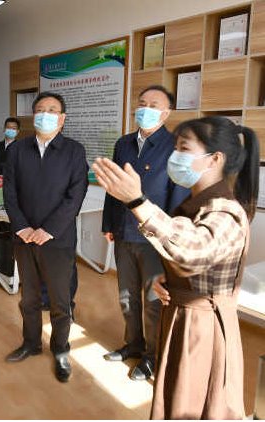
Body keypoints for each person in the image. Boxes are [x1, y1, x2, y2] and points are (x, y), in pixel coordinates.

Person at [93, 116, 259, 419]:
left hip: (203, 330)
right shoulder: (195, 204)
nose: (174, 157)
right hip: (182, 318)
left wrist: (137, 201)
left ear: (215, 159)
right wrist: (166, 277)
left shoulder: (226, 210)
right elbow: (191, 260)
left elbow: (193, 250)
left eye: (183, 148)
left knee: (193, 405)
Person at [102, 85, 189, 381]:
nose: (145, 108)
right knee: (127, 296)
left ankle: (153, 356)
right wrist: (108, 224)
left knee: (153, 301)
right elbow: (113, 186)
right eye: (142, 103)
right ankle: (133, 344)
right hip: (123, 231)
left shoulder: (175, 145)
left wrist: (171, 237)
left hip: (155, 237)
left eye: (154, 104)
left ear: (166, 113)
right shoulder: (123, 143)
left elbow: (178, 195)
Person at [3, 91, 88, 383]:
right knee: (28, 297)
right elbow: (9, 193)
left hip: (57, 239)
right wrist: (22, 227)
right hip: (24, 237)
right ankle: (31, 342)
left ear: (62, 118)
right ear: (33, 115)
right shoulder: (17, 150)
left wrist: (47, 230)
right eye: (40, 109)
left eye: (52, 110)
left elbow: (75, 196)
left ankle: (61, 349)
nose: (45, 114)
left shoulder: (74, 151)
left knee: (60, 300)